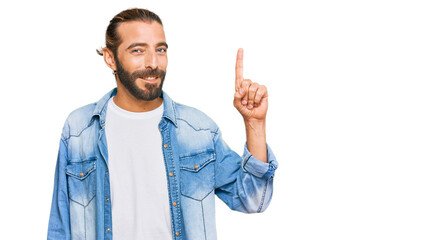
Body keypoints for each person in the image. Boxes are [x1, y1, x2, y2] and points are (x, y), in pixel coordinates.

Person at [47, 8, 277, 240]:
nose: (153, 63)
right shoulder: (79, 130)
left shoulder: (198, 131)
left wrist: (255, 124)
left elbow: (253, 200)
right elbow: (60, 228)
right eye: (138, 50)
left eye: (160, 50)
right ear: (110, 58)